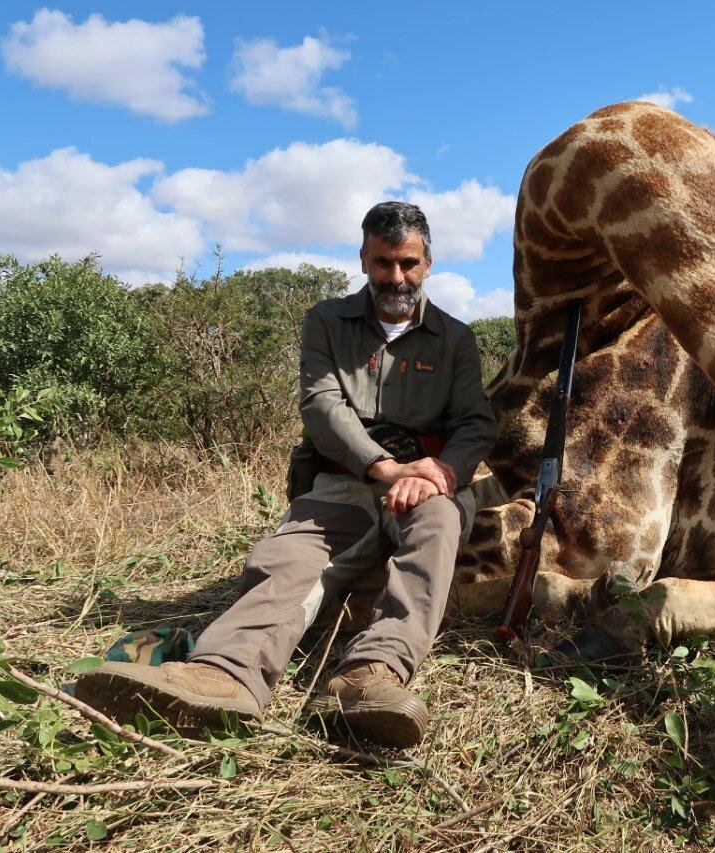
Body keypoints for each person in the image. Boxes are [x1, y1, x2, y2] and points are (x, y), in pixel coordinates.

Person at [76, 201, 499, 748]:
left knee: (437, 524)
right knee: (290, 555)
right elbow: (323, 408)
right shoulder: (327, 321)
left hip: (422, 486)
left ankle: (370, 675)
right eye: (383, 263)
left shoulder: (456, 338)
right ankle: (225, 673)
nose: (397, 277)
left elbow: (475, 423)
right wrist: (386, 468)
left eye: (409, 263)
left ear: (428, 262)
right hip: (346, 481)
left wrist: (439, 473)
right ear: (364, 259)